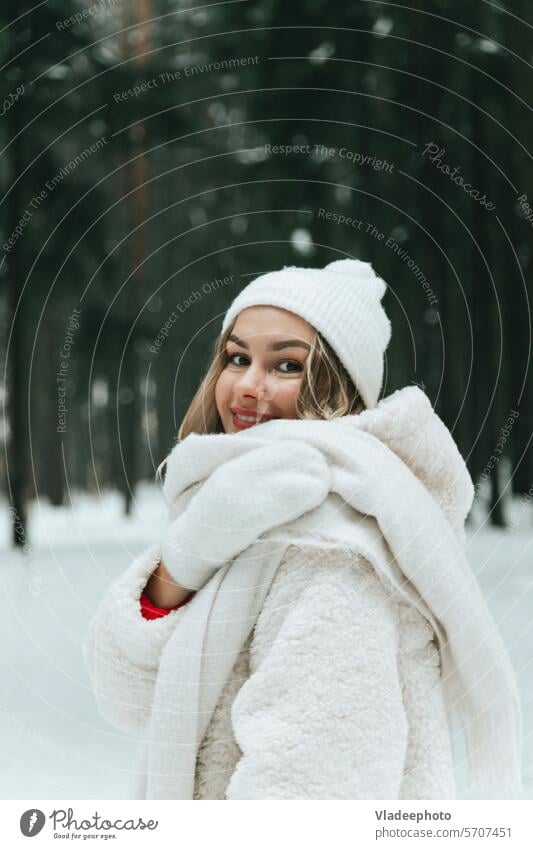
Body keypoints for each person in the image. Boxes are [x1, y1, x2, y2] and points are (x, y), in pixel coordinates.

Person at [83, 258, 523, 801]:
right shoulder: (237, 514)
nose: (247, 385)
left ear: (341, 385)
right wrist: (181, 566)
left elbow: (312, 784)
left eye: (286, 366)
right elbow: (127, 699)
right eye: (237, 357)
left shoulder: (335, 547)